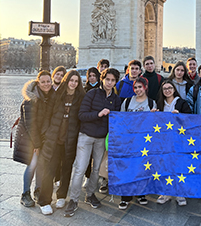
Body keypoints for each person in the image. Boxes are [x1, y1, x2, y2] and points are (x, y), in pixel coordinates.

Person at [64, 68, 122, 217]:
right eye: (107, 79)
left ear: (116, 82)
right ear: (102, 79)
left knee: (96, 169)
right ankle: (74, 200)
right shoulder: (91, 94)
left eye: (113, 80)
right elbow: (81, 115)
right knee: (80, 169)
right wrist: (98, 114)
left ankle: (90, 195)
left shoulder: (116, 99)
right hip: (86, 136)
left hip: (102, 138)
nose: (110, 83)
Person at [37, 70, 86, 215]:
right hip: (54, 139)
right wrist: (46, 132)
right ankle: (44, 200)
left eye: (76, 81)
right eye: (71, 80)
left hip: (70, 140)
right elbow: (47, 115)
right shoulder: (56, 95)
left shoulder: (81, 98)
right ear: (66, 80)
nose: (73, 83)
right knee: (50, 169)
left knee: (66, 169)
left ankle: (62, 195)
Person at [12, 70, 53, 207]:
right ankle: (25, 194)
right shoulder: (30, 100)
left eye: (48, 81)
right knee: (32, 165)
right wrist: (37, 144)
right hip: (31, 138)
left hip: (43, 137)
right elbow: (31, 125)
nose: (46, 84)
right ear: (38, 82)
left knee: (41, 165)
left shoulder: (50, 96)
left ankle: (38, 190)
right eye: (43, 82)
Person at [118, 77, 158, 209]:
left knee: (142, 167)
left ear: (145, 87)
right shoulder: (127, 101)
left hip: (144, 141)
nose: (137, 90)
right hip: (129, 140)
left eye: (140, 87)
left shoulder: (152, 103)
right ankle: (125, 197)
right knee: (128, 168)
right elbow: (121, 119)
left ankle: (141, 194)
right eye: (135, 87)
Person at [155, 79, 191, 206]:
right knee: (164, 166)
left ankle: (180, 193)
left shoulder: (181, 103)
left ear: (174, 89)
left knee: (179, 166)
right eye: (165, 89)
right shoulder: (159, 104)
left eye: (170, 88)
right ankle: (166, 192)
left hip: (178, 140)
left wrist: (179, 115)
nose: (167, 90)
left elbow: (189, 119)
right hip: (163, 141)